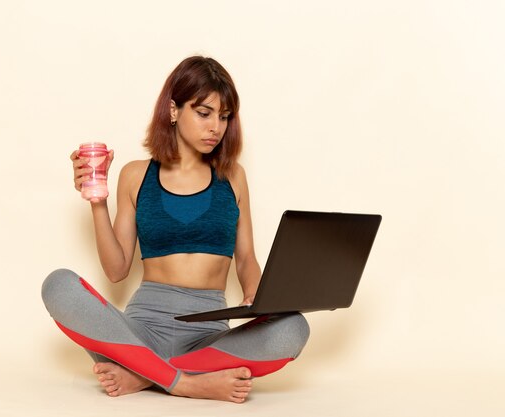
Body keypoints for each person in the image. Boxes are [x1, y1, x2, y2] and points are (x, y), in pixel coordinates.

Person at [41, 56, 309, 403]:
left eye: (224, 116)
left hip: (208, 337)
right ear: (173, 110)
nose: (216, 126)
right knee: (58, 285)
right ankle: (184, 382)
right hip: (139, 330)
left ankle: (145, 373)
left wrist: (256, 296)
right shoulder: (136, 175)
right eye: (204, 112)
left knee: (294, 327)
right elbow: (116, 270)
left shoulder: (233, 177)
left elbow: (246, 260)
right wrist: (97, 201)